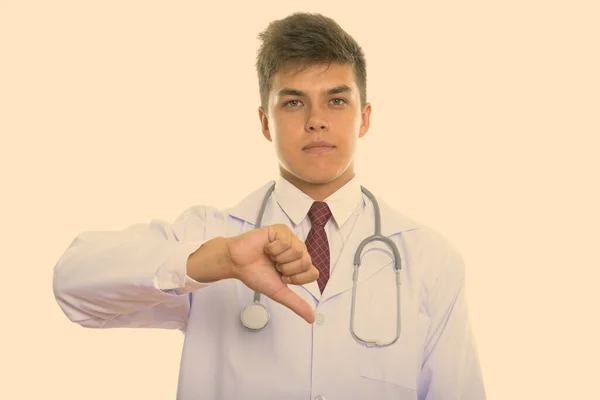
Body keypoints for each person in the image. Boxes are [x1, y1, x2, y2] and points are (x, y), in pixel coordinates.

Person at [53, 12, 486, 400]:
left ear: (365, 117)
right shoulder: (211, 233)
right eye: (293, 101)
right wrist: (217, 258)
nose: (316, 119)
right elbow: (73, 283)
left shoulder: (429, 257)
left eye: (336, 100)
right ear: (264, 122)